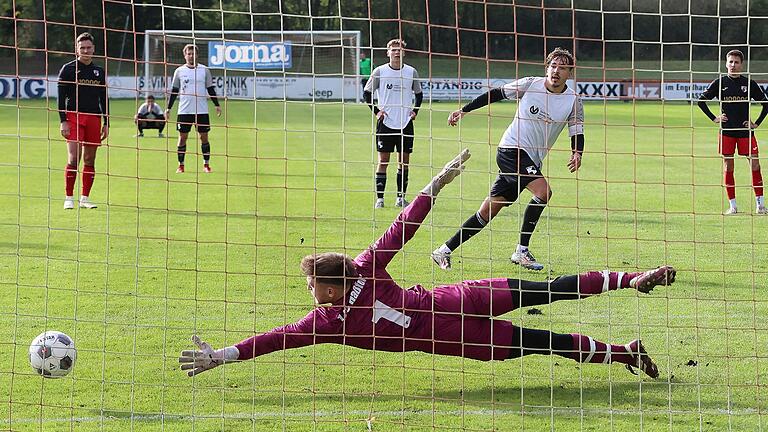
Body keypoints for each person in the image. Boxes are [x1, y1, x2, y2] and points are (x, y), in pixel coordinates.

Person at [179, 149, 676, 379]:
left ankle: (631, 298)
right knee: (548, 320)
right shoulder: (341, 298)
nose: (308, 291)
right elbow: (273, 340)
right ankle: (626, 338)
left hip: (459, 317)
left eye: (312, 284)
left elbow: (403, 228)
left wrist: (436, 183)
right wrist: (221, 355)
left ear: (330, 287)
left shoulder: (340, 300)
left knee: (549, 315)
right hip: (463, 321)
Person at [431, 47, 584, 271]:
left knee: (488, 210)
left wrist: (577, 152)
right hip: (511, 150)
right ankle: (521, 251)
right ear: (547, 68)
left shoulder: (573, 100)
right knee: (543, 192)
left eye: (562, 68)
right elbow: (497, 93)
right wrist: (464, 110)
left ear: (570, 73)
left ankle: (443, 250)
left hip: (531, 159)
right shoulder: (531, 84)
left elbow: (577, 130)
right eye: (553, 66)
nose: (556, 71)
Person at [698, 49, 768, 215]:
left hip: (745, 132)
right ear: (726, 63)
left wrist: (756, 123)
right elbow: (701, 101)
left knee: (755, 165)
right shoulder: (720, 83)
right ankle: (733, 206)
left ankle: (760, 205)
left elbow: (766, 104)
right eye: (731, 62)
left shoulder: (749, 83)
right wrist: (714, 118)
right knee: (728, 166)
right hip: (727, 131)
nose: (733, 65)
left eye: (736, 62)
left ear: (742, 65)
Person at [363, 39, 423, 208]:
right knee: (383, 161)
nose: (397, 52)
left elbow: (419, 94)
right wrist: (376, 111)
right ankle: (380, 199)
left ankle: (400, 198)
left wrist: (415, 111)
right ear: (387, 52)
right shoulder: (379, 71)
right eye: (393, 50)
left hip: (405, 123)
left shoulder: (411, 72)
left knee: (404, 162)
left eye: (399, 50)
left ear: (404, 53)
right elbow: (367, 93)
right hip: (386, 123)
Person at [58, 32, 109, 210]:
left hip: (94, 118)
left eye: (88, 47)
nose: (85, 51)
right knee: (74, 158)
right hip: (73, 117)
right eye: (82, 48)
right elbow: (60, 97)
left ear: (93, 49)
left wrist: (106, 123)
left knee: (90, 159)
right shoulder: (68, 69)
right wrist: (63, 120)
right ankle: (68, 197)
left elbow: (104, 98)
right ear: (77, 49)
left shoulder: (99, 72)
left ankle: (85, 198)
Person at [165, 44, 222, 174]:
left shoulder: (204, 70)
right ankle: (181, 165)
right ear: (185, 56)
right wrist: (168, 108)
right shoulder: (179, 71)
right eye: (188, 54)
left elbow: (210, 88)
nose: (191, 56)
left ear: (197, 55)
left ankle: (206, 165)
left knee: (204, 137)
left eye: (193, 54)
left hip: (201, 110)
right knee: (182, 137)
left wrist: (216, 105)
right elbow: (174, 91)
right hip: (184, 111)